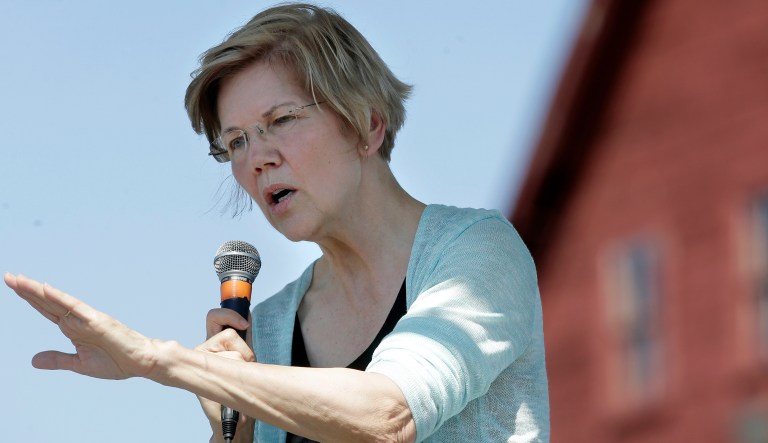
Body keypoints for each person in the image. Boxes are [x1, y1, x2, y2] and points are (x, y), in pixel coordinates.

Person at [4, 3, 549, 442]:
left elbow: (388, 416)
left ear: (368, 124)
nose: (255, 158)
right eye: (236, 141)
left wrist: (159, 361)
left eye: (281, 120)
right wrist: (231, 431)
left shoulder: (475, 256)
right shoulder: (264, 326)